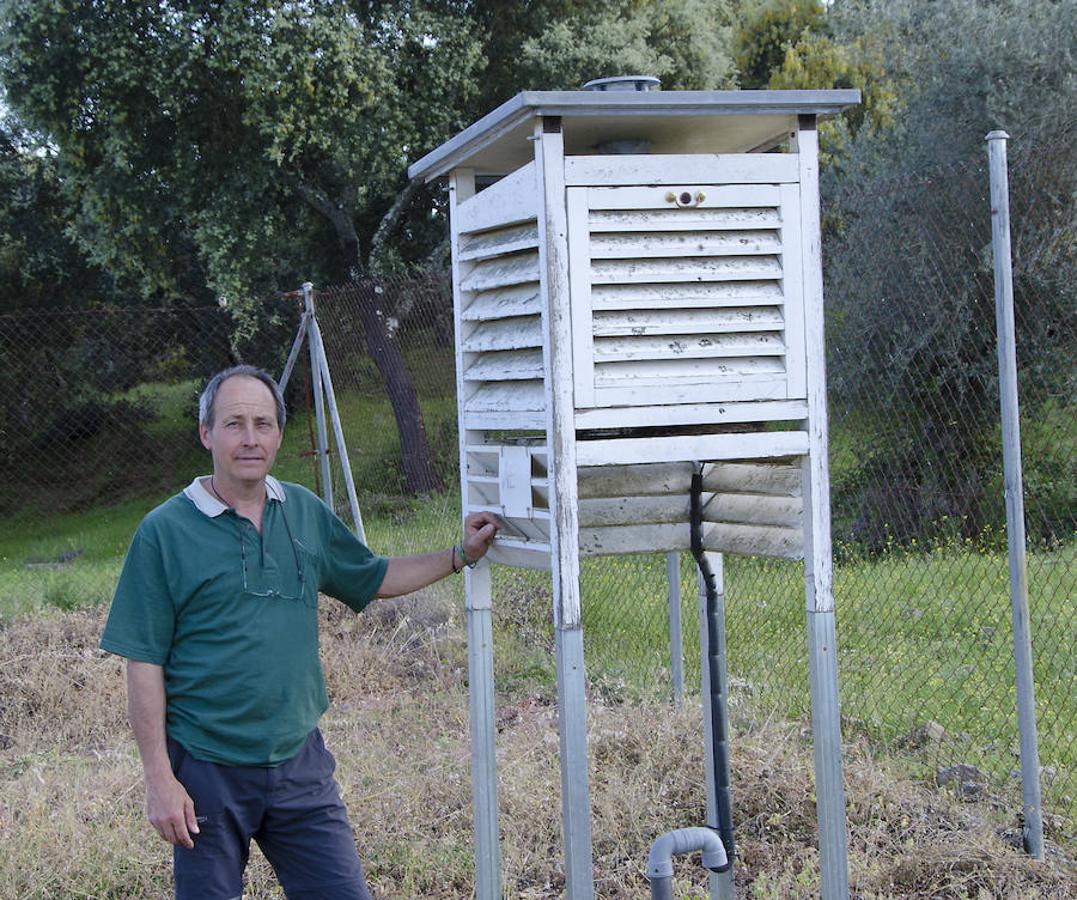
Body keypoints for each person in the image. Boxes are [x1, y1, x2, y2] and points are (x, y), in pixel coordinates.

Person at [100, 364, 500, 899]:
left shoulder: (303, 512)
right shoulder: (164, 533)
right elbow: (143, 661)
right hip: (206, 770)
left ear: (278, 435)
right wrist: (159, 780)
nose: (250, 438)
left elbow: (374, 576)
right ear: (206, 434)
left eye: (263, 424)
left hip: (298, 763)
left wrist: (459, 556)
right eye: (234, 423)